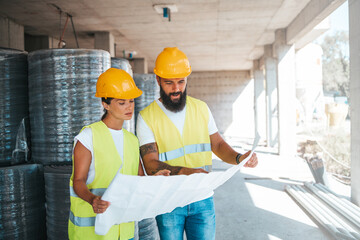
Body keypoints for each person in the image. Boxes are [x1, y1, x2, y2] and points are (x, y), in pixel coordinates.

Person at [136, 47, 258, 240]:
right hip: (169, 201)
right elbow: (150, 164)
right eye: (169, 83)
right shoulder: (146, 117)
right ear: (158, 80)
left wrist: (238, 157)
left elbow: (217, 144)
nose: (176, 89)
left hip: (202, 198)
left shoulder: (201, 109)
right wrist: (185, 172)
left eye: (181, 82)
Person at [68, 68, 169, 240]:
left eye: (131, 101)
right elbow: (78, 181)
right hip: (93, 233)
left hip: (126, 231)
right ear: (105, 104)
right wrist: (93, 199)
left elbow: (138, 180)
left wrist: (155, 179)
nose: (129, 107)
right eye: (122, 103)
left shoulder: (131, 140)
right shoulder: (88, 136)